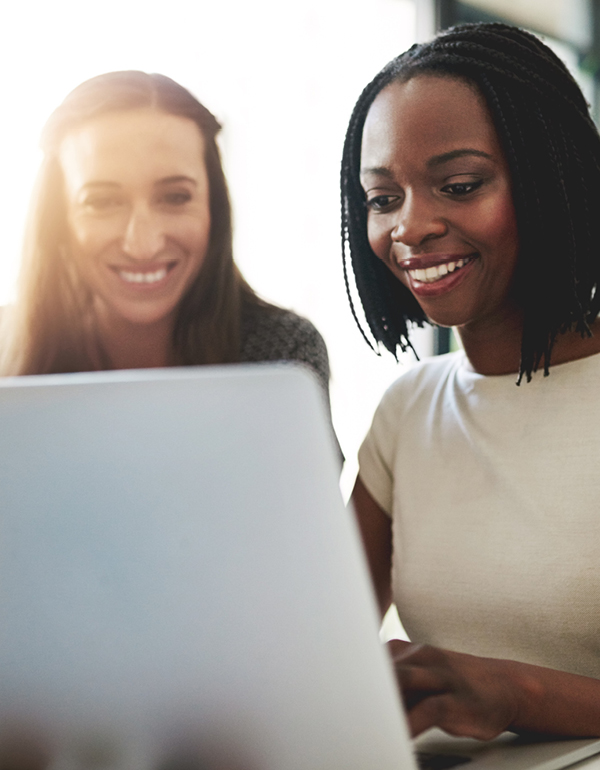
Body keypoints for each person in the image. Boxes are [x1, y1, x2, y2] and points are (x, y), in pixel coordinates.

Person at [341, 23, 600, 740]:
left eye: (459, 185)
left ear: (553, 178)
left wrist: (518, 694)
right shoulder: (407, 412)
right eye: (382, 197)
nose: (412, 226)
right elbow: (319, 655)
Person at [0, 71, 331, 408]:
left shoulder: (284, 355)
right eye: (101, 202)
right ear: (58, 219)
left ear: (213, 208)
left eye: (175, 197)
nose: (142, 244)